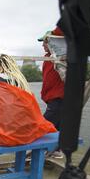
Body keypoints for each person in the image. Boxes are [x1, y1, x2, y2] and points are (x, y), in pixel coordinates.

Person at [0, 54, 57, 169]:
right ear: (12, 65)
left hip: (3, 138)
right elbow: (34, 113)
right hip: (26, 135)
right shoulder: (22, 84)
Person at [38, 27, 66, 159]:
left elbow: (63, 29)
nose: (43, 44)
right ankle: (56, 150)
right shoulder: (47, 57)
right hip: (51, 98)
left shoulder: (60, 54)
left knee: (42, 127)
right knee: (58, 126)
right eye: (43, 42)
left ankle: (35, 153)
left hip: (59, 97)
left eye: (45, 41)